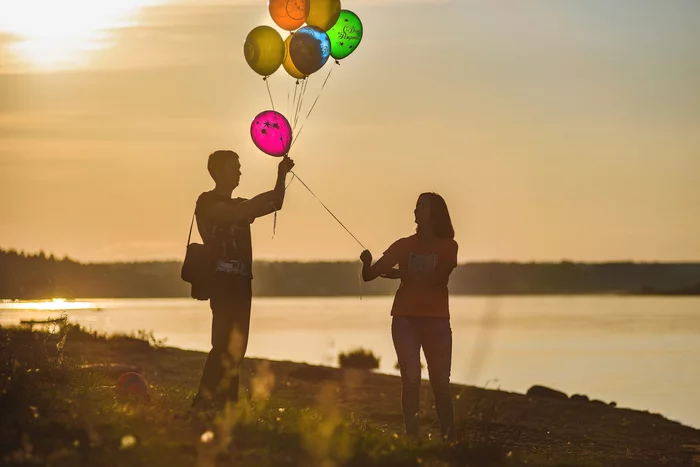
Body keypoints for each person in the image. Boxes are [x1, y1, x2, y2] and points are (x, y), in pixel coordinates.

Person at [192, 149, 294, 410]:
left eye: (239, 167)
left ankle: (227, 406)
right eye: (233, 167)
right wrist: (255, 202)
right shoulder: (207, 202)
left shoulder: (240, 204)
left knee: (236, 348)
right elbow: (237, 214)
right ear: (217, 172)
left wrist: (281, 176)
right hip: (221, 282)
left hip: (242, 282)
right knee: (223, 344)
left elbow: (276, 202)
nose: (239, 171)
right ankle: (203, 402)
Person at [360, 192, 458, 439]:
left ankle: (449, 437)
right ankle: (412, 437)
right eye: (416, 206)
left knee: (440, 383)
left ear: (434, 212)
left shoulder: (448, 246)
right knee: (411, 380)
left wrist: (403, 275)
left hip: (436, 320)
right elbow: (370, 275)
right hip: (405, 319)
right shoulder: (403, 245)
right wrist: (366, 262)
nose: (415, 211)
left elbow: (439, 279)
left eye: (421, 206)